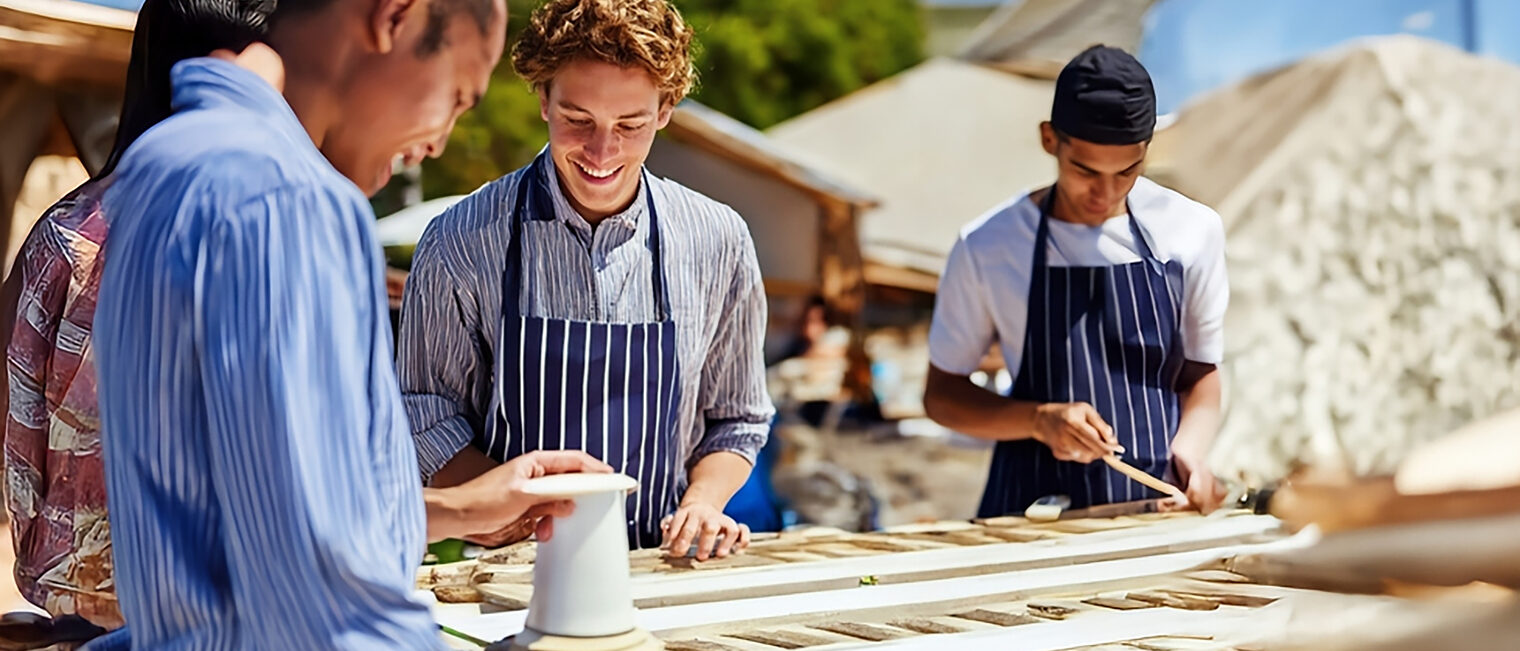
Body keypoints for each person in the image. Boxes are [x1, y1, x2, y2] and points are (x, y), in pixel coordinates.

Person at [87, 0, 606, 648]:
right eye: (457, 96)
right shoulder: (289, 197)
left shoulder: (166, 164)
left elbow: (238, 529)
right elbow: (325, 599)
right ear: (395, 17)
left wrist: (458, 508)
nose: (440, 140)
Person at [398, 0, 773, 560]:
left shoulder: (719, 240)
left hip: (658, 566)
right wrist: (501, 513)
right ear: (543, 98)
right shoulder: (460, 240)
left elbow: (737, 417)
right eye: (578, 119)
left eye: (630, 124)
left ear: (666, 109)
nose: (603, 151)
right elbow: (425, 410)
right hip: (511, 572)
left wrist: (703, 502)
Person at [1, 0, 274, 631]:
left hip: (73, 597)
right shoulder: (257, 225)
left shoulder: (64, 232)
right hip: (217, 606)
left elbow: (17, 419)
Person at [922, 45, 1230, 517]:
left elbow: (1201, 374)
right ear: (1050, 140)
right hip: (1030, 514)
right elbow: (942, 396)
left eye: (1127, 171)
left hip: (1154, 508)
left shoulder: (1191, 231)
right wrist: (1038, 420)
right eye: (1085, 170)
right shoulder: (989, 245)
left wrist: (1190, 453)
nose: (1105, 193)